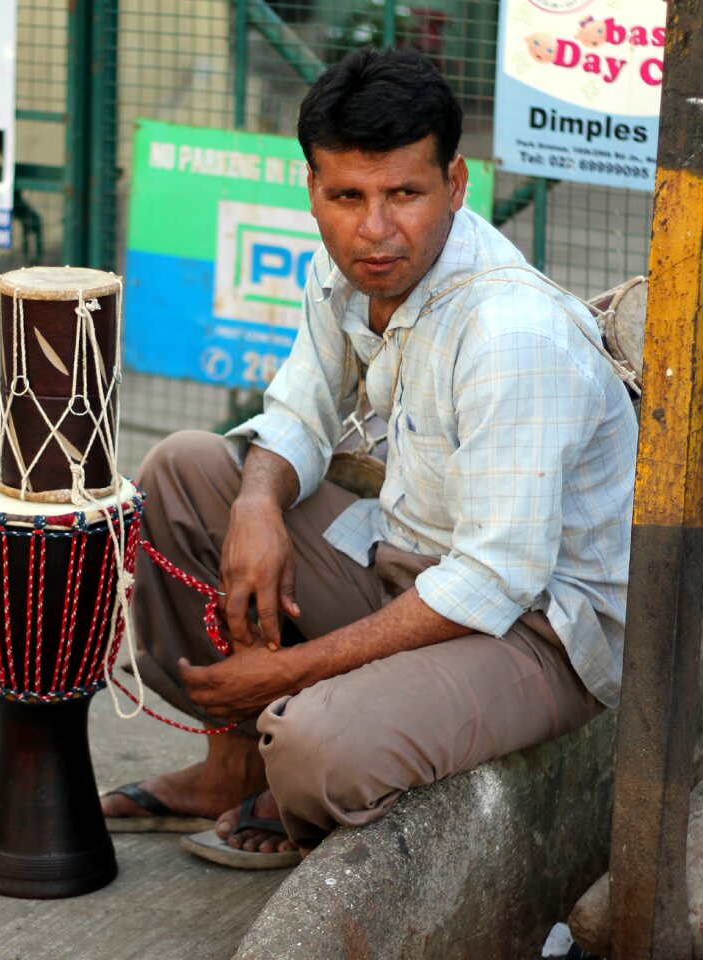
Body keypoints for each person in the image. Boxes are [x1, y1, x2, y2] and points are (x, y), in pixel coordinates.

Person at [101, 46, 637, 868]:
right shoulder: (351, 269)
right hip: (406, 564)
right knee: (184, 471)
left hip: (533, 633)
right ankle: (232, 770)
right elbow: (300, 413)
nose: (376, 228)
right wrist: (254, 507)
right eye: (347, 196)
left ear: (455, 185)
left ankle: (292, 765)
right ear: (312, 188)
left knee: (319, 747)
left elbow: (496, 579)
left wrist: (290, 674)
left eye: (405, 194)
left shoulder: (510, 335)